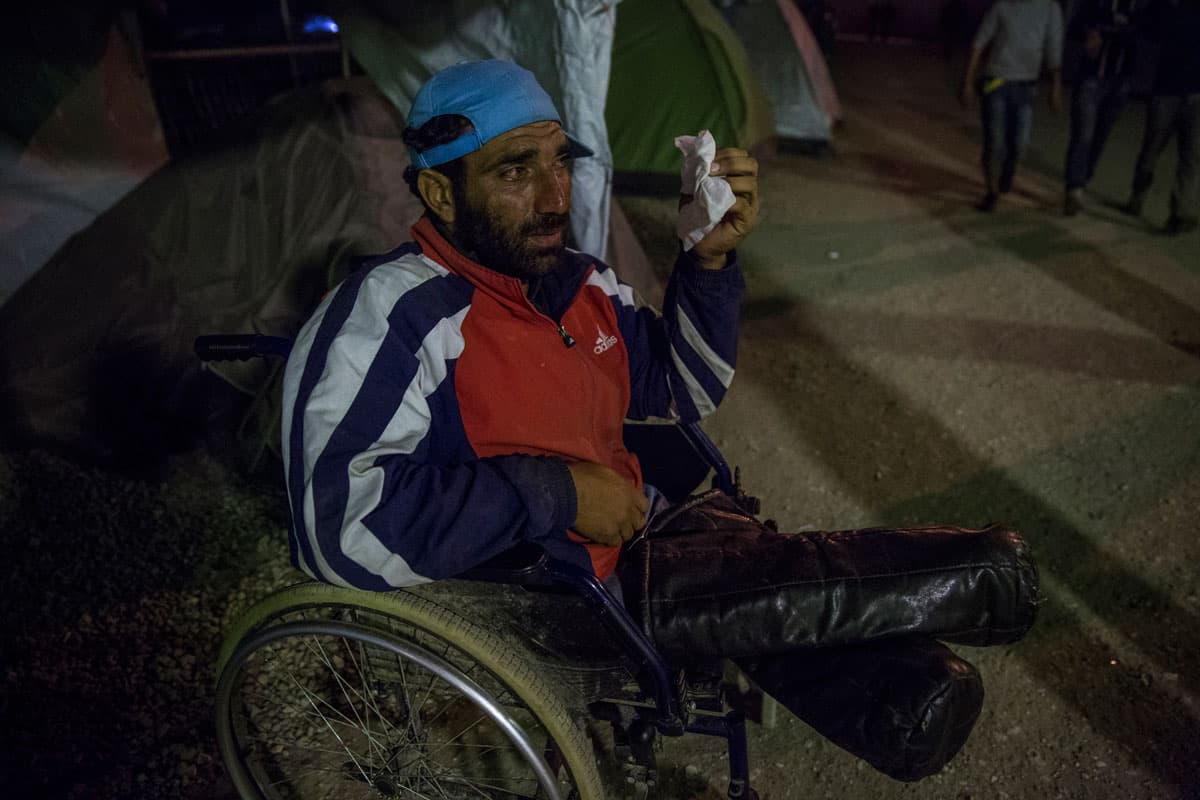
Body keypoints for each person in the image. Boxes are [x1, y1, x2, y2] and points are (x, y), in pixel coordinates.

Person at [282, 59, 1039, 781]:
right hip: (551, 590)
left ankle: (913, 697)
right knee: (781, 581)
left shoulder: (579, 284)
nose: (554, 196)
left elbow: (685, 386)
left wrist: (707, 263)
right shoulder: (392, 314)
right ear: (440, 195)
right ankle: (986, 575)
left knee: (769, 592)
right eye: (515, 170)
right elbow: (336, 523)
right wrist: (560, 494)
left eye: (559, 162)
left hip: (643, 531)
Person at [961, 0, 1064, 211]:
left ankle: (1008, 172)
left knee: (1020, 143)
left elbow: (1054, 47)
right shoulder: (1002, 6)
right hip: (996, 82)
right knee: (995, 140)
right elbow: (979, 42)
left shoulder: (1049, 8)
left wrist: (1056, 86)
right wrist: (968, 82)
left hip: (1026, 87)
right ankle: (991, 191)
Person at [1062, 0, 1146, 217]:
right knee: (1083, 134)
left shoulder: (1139, 6)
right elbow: (1074, 25)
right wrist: (1089, 32)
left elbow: (1151, 30)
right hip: (1092, 77)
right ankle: (1074, 189)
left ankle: (1084, 177)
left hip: (1120, 80)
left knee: (1100, 135)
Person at [1124, 0, 1200, 235]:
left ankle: (1181, 213)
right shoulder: (1167, 7)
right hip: (1167, 90)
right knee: (1152, 148)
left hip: (1193, 93)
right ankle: (1138, 195)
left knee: (1190, 157)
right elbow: (1146, 29)